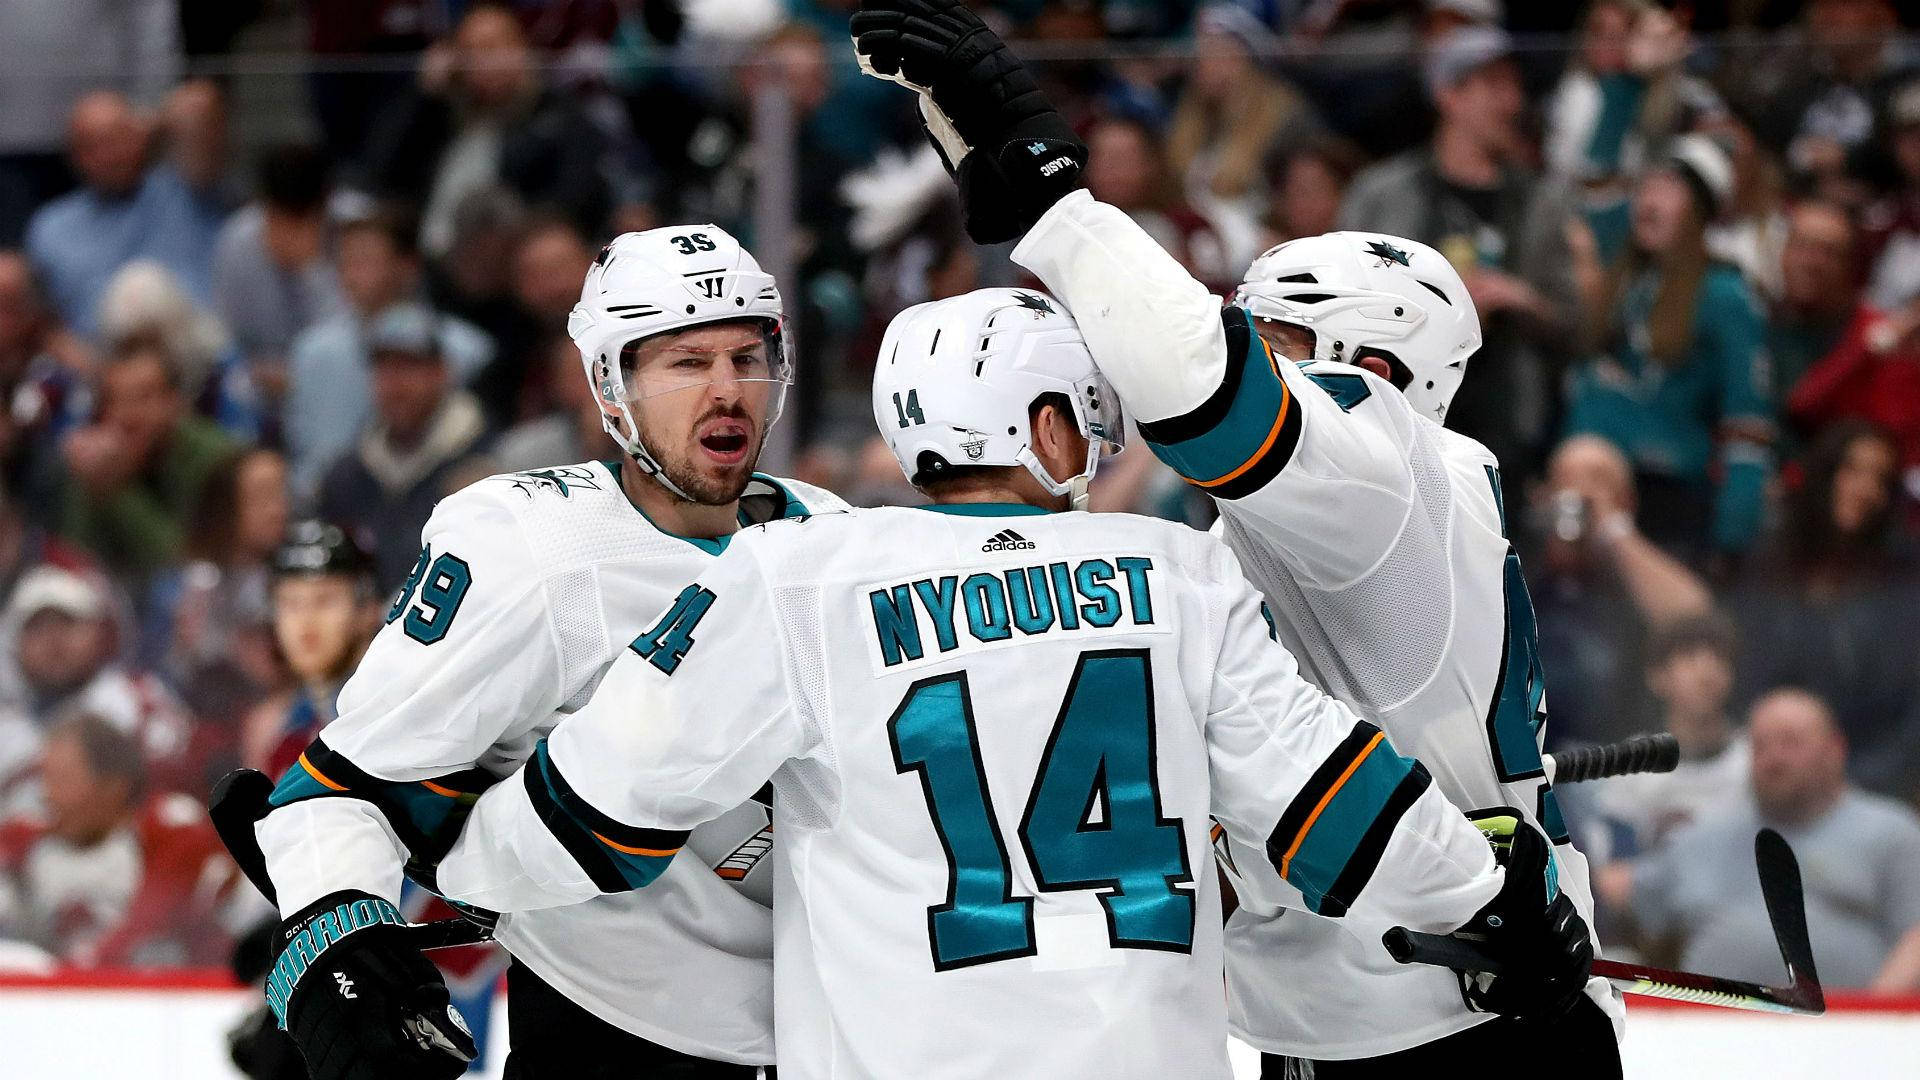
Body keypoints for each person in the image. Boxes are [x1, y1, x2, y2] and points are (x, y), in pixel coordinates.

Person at [429, 286, 1590, 1078]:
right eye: (1083, 414)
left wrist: (458, 866)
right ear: (1043, 423)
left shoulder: (795, 576)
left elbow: (595, 804)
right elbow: (1335, 803)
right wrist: (1491, 893)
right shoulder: (1174, 572)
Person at [844, 3, 1620, 1072]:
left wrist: (1059, 214)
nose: (1248, 348)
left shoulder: (1384, 463)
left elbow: (1200, 386)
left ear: (1379, 367)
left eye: (1280, 338)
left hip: (1452, 1030)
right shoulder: (1346, 525)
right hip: (1351, 1021)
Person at [244, 223, 845, 1080]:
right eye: (685, 361)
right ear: (610, 384)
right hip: (612, 1037)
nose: (728, 390)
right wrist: (338, 940)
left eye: (747, 357)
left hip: (825, 1038)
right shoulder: (531, 550)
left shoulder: (835, 541)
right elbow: (347, 785)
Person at [1337, 25, 1581, 483]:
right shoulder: (1381, 195)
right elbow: (1339, 303)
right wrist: (1431, 303)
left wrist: (1519, 299)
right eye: (1493, 85)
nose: (1512, 102)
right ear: (1449, 95)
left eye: (1514, 85)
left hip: (1509, 426)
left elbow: (1576, 325)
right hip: (1396, 422)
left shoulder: (1541, 203)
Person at [1619, 688, 1920, 991]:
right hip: (1709, 1027)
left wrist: (1872, 1019)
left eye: (1790, 743)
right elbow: (1619, 894)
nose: (1773, 759)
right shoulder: (1703, 839)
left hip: (1850, 1028)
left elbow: (1915, 938)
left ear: (1836, 748)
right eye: (1760, 746)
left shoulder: (1891, 833)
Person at [1564, 134, 1774, 566]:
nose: (1650, 202)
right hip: (1582, 486)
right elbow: (1597, 183)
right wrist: (1623, 78)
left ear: (1700, 210)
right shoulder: (1625, 281)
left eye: (1670, 190)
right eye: (1647, 187)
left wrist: (1731, 543)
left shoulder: (1725, 294)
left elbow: (1747, 425)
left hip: (1665, 496)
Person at [1728, 421, 1920, 794]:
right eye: (1852, 470)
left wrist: (1856, 785)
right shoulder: (1771, 563)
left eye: (1880, 479)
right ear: (1825, 474)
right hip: (1766, 767)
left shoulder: (1905, 579)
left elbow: (1909, 708)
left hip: (1870, 781)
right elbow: (1745, 678)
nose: (1865, 489)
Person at [0, 711, 241, 968]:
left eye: (62, 780)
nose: (47, 795)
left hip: (168, 993)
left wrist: (84, 969)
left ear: (114, 787)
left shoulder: (169, 829)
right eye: (44, 779)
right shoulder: (25, 845)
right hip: (64, 995)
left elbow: (158, 921)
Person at [283, 208, 491, 498]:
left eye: (365, 261)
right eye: (345, 262)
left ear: (408, 266)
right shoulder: (312, 352)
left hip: (432, 500)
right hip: (330, 505)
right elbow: (304, 457)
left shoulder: (468, 349)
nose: (352, 274)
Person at [312, 303, 495, 590]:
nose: (395, 385)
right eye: (384, 370)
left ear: (440, 372)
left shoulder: (487, 458)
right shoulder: (347, 475)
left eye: (408, 368)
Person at [23, 91, 227, 337]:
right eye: (93, 146)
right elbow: (44, 325)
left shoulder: (188, 189)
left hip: (194, 357)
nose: (109, 155)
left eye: (118, 139)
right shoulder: (51, 227)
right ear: (74, 156)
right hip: (98, 366)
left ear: (141, 135)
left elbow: (199, 102)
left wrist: (151, 128)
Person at [58, 337, 238, 579]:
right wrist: (88, 486)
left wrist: (116, 490)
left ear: (176, 402)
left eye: (143, 397)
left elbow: (188, 568)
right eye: (115, 400)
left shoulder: (215, 459)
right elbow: (76, 566)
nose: (128, 416)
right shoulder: (97, 461)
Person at [210, 143, 349, 415]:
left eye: (302, 220)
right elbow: (227, 338)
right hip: (259, 380)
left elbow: (359, 335)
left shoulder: (359, 230)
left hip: (336, 379)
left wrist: (313, 271)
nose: (289, 233)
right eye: (280, 218)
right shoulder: (238, 240)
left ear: (326, 204)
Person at [141, 448, 290, 697]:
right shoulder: (185, 582)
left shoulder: (297, 578)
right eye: (262, 497)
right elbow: (156, 667)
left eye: (282, 494)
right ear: (225, 504)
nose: (279, 511)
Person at [239, 521, 381, 780]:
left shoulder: (395, 710)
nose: (306, 620)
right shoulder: (271, 728)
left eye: (325, 600)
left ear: (368, 610)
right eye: (290, 603)